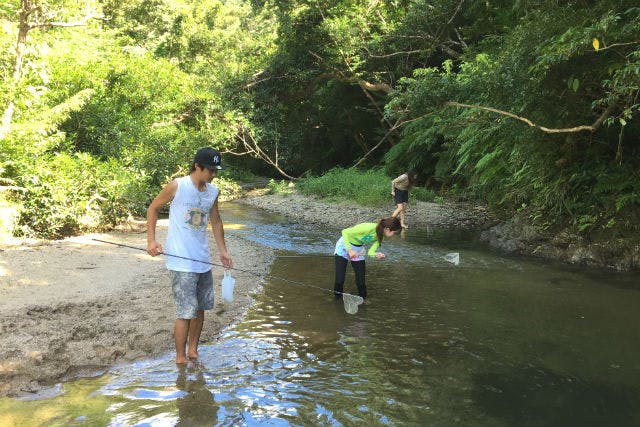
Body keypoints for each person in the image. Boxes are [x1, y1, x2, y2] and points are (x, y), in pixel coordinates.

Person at [146, 147, 233, 364]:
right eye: (210, 170)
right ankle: (180, 357)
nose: (213, 174)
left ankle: (193, 351)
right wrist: (151, 240)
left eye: (216, 171)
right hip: (180, 260)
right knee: (186, 311)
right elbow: (153, 208)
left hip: (202, 259)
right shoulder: (178, 186)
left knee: (201, 308)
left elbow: (216, 221)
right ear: (197, 166)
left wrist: (223, 251)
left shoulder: (213, 192)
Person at [333, 217, 402, 300]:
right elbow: (345, 232)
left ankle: (363, 300)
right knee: (339, 280)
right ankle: (337, 300)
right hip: (344, 247)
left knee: (361, 281)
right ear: (387, 229)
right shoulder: (369, 227)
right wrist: (350, 250)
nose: (393, 236)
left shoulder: (380, 236)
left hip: (358, 250)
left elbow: (370, 252)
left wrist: (376, 255)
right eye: (393, 233)